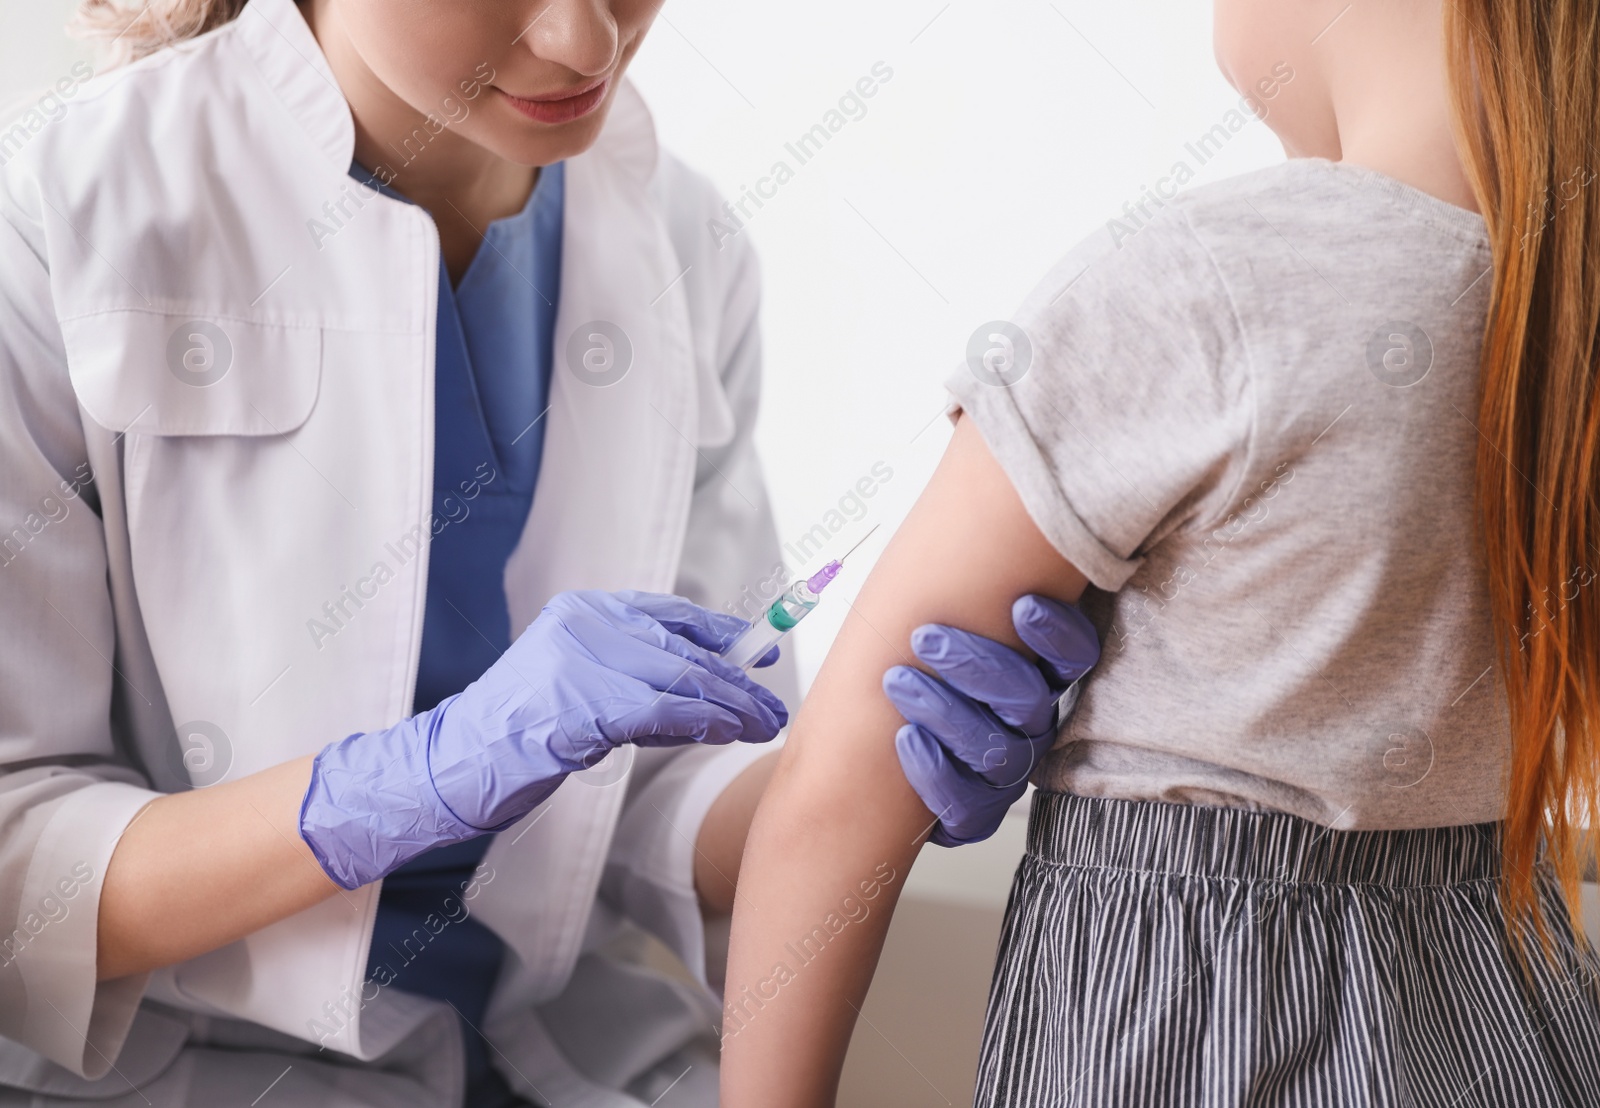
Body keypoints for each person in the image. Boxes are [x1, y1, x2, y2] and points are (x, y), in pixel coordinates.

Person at [0, 1, 1102, 1105]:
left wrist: (874, 762)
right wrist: (409, 783)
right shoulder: (57, 215)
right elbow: (16, 859)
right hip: (169, 1070)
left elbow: (658, 789)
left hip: (541, 1049)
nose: (586, 42)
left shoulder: (683, 243)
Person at [720, 0, 1600, 1104]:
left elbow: (843, 774)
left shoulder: (1214, 280)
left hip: (1194, 1036)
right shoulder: (1571, 299)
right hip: (1519, 1013)